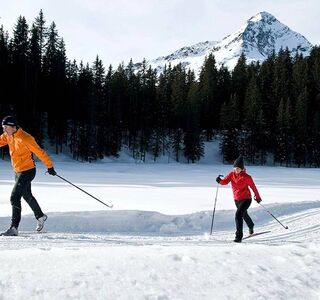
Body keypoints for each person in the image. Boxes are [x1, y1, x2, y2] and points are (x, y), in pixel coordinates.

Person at [0, 116, 57, 236]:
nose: (4, 130)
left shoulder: (25, 138)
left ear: (13, 126)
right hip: (17, 171)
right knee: (26, 195)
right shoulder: (8, 135)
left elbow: (39, 152)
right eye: (3, 127)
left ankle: (14, 228)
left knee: (14, 197)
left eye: (6, 127)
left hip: (28, 171)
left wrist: (49, 166)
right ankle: (40, 216)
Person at [216, 155, 262, 243]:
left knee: (238, 215)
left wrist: (258, 197)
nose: (236, 170)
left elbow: (253, 187)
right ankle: (251, 225)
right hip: (237, 199)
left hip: (246, 199)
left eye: (238, 168)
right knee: (243, 214)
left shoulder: (247, 177)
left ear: (242, 169)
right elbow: (224, 182)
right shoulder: (231, 174)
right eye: (235, 168)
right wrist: (219, 180)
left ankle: (238, 236)